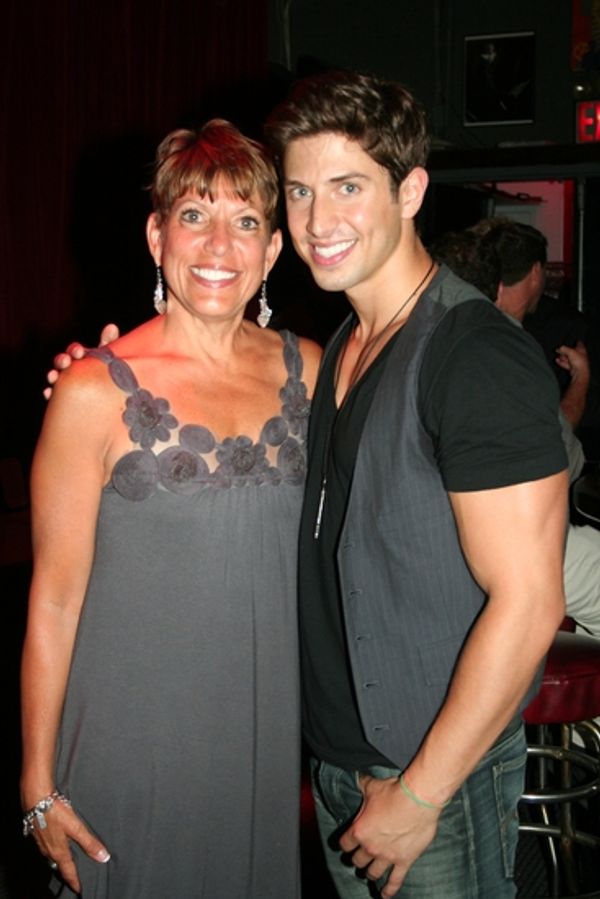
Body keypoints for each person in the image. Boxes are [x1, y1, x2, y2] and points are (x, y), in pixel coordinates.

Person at [264, 70, 568, 899]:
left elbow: (531, 602)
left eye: (347, 187)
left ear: (410, 191)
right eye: (299, 191)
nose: (317, 222)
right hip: (345, 767)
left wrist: (421, 794)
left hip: (432, 781)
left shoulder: (474, 353)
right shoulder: (347, 342)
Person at [21, 119, 321, 899]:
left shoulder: (315, 374)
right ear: (157, 237)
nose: (220, 245)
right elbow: (54, 598)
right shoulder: (92, 391)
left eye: (245, 222)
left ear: (273, 250)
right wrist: (36, 781)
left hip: (258, 737)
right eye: (194, 215)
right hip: (128, 744)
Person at [432, 224, 600, 639]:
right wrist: (582, 379)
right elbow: (561, 460)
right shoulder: (499, 345)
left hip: (438, 538)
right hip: (499, 541)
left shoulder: (407, 340)